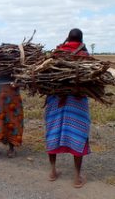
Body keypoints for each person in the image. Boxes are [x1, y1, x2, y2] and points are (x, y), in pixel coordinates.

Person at [45, 28, 90, 188]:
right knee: (79, 134)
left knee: (52, 132)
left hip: (55, 101)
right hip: (77, 103)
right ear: (81, 40)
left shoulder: (56, 53)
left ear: (68, 38)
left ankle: (52, 171)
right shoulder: (84, 56)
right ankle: (77, 178)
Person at [0, 77, 24, 158]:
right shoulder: (14, 66)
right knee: (10, 119)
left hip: (5, 92)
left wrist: (18, 83)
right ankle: (6, 149)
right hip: (4, 92)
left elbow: (23, 81)